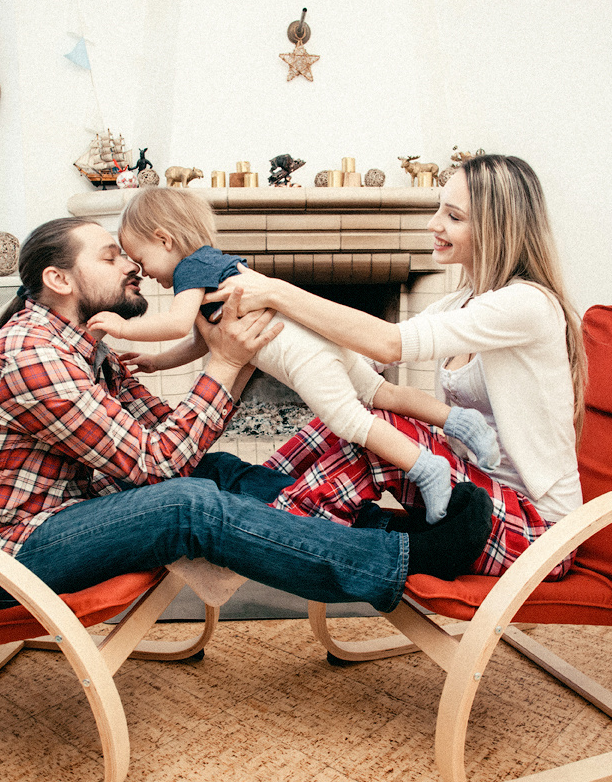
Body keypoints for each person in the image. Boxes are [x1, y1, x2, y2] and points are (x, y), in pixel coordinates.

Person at [0, 216, 492, 614]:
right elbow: (157, 467)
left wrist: (243, 355)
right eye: (111, 256)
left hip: (64, 515)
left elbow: (169, 437)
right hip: (2, 556)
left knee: (217, 471)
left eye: (128, 252)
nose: (132, 265)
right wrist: (225, 360)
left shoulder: (85, 345)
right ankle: (399, 559)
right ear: (60, 280)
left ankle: (390, 528)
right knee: (185, 505)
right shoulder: (34, 356)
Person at [211, 154, 587, 580]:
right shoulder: (458, 303)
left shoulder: (527, 305)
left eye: (453, 216)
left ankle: (255, 533)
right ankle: (253, 492)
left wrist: (276, 292)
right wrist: (267, 343)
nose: (433, 224)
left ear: (495, 227)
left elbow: (389, 345)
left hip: (539, 533)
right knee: (347, 419)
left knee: (385, 431)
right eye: (438, 208)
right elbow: (363, 356)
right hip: (469, 505)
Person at [87, 187, 499, 523]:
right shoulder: (212, 265)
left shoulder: (190, 270)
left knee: (350, 420)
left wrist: (123, 327)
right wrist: (158, 362)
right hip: (317, 339)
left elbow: (178, 324)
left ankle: (427, 467)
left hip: (303, 357)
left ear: (165, 239)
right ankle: (462, 422)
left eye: (143, 261)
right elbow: (203, 340)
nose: (147, 275)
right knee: (378, 392)